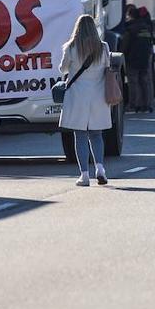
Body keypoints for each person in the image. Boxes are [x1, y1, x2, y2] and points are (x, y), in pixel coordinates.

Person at [58, 14, 112, 187]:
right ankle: (101, 169)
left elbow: (63, 69)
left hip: (77, 97)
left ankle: (84, 175)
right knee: (96, 135)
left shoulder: (71, 47)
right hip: (98, 97)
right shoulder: (103, 48)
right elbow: (107, 67)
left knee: (80, 135)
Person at [120, 6, 155, 113]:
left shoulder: (130, 29)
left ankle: (133, 105)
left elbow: (124, 47)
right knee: (145, 82)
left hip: (133, 59)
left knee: (133, 83)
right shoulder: (146, 28)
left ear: (131, 16)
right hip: (145, 59)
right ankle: (147, 105)